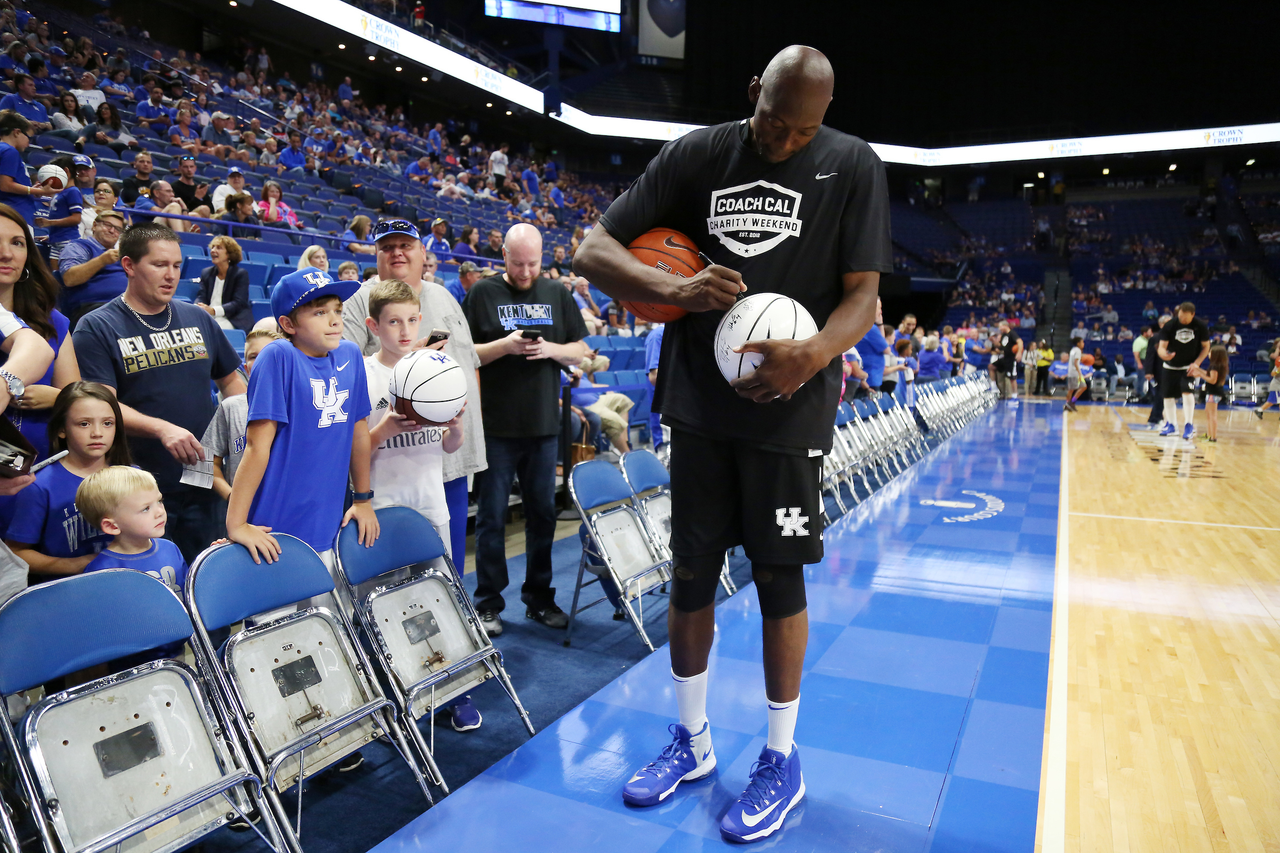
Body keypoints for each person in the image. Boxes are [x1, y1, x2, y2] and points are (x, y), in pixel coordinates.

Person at [573, 46, 890, 841]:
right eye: (775, 123)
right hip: (699, 409)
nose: (785, 142)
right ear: (754, 92)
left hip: (789, 415)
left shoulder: (852, 164)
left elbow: (864, 299)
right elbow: (591, 250)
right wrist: (675, 288)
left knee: (781, 579)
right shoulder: (697, 154)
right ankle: (693, 740)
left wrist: (813, 354)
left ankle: (781, 758)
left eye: (803, 131)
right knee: (690, 574)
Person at [72, 223, 245, 562]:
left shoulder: (197, 317)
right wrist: (161, 428)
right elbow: (101, 407)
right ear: (129, 266)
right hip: (141, 485)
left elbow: (232, 383)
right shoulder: (97, 326)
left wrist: (243, 435)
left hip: (204, 475)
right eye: (159, 265)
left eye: (177, 266)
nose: (171, 275)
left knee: (206, 572)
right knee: (156, 577)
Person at [360, 278, 481, 731]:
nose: (405, 330)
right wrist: (387, 427)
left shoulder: (437, 367)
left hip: (431, 506)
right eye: (393, 322)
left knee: (442, 599)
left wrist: (455, 427)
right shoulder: (364, 373)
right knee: (386, 606)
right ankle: (398, 690)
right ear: (374, 325)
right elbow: (355, 452)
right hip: (383, 508)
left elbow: (450, 447)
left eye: (412, 320)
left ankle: (455, 689)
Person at [465, 222, 588, 636]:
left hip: (541, 427)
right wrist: (506, 345)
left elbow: (581, 350)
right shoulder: (483, 293)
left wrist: (547, 349)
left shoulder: (556, 292)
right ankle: (487, 604)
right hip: (496, 428)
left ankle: (539, 598)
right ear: (503, 256)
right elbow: (465, 355)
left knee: (543, 517)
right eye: (517, 263)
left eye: (532, 263)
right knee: (491, 519)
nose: (524, 272)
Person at [341, 220, 486, 571]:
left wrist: (459, 426)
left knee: (446, 573)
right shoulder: (361, 301)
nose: (397, 252)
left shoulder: (443, 294)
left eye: (405, 245)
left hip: (438, 471)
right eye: (387, 247)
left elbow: (470, 359)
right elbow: (341, 370)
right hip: (383, 489)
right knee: (387, 580)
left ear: (423, 252)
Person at [5, 382, 128, 581]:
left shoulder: (134, 477)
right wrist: (79, 565)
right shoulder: (40, 486)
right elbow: (17, 553)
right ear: (62, 429)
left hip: (124, 583)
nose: (97, 433)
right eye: (84, 424)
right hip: (66, 592)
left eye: (107, 423)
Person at [77, 466, 187, 595]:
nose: (160, 512)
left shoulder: (170, 548)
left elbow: (192, 592)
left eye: (159, 501)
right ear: (112, 526)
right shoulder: (102, 571)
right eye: (146, 508)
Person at [204, 327, 276, 505]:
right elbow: (204, 465)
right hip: (243, 516)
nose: (261, 361)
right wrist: (234, 499)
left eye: (269, 354)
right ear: (246, 368)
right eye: (253, 356)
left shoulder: (303, 407)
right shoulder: (231, 407)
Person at [57, 208, 126, 328]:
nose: (112, 231)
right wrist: (102, 260)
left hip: (127, 305)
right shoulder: (79, 246)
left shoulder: (123, 254)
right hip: (95, 308)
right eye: (108, 225)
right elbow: (70, 278)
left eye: (118, 229)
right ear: (94, 226)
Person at [1155, 302, 1211, 440]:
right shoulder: (1170, 325)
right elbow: (1161, 347)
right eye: (1180, 316)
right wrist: (1164, 355)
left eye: (1185, 318)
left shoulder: (1200, 326)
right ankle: (1172, 425)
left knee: (1187, 392)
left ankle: (1188, 425)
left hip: (1189, 366)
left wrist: (1197, 363)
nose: (1182, 320)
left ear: (1192, 314)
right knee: (1167, 396)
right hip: (1170, 366)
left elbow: (1206, 347)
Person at [0, 110, 57, 227]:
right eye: (28, 138)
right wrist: (38, 191)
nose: (29, 143)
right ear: (17, 132)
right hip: (14, 214)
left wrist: (30, 191)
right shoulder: (9, 151)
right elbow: (5, 185)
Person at [39, 153, 94, 260]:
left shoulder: (73, 191)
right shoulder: (61, 192)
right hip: (56, 240)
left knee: (67, 274)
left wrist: (50, 223)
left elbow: (76, 218)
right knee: (54, 274)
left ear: (66, 172)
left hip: (67, 241)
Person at [195, 235, 253, 332]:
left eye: (219, 248)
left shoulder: (240, 274)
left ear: (229, 254)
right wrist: (197, 306)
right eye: (212, 247)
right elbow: (202, 295)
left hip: (232, 319)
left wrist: (214, 311)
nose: (213, 250)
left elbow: (239, 303)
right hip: (210, 316)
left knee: (213, 330)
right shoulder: (206, 273)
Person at [1191, 345, 1228, 442]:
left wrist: (1201, 375)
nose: (1208, 354)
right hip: (1214, 392)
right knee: (1209, 413)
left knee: (1212, 415)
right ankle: (1209, 434)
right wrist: (1198, 370)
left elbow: (1212, 380)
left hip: (1213, 392)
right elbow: (1209, 374)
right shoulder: (1220, 365)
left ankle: (1213, 437)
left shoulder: (1214, 366)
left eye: (1210, 352)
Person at [993, 319, 1020, 400]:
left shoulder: (1012, 333)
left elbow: (1020, 342)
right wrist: (994, 341)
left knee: (1012, 377)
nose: (999, 328)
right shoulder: (1004, 335)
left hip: (1011, 358)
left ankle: (1014, 394)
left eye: (1000, 327)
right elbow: (1002, 346)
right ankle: (994, 385)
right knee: (992, 366)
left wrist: (1019, 353)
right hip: (1005, 357)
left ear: (1005, 326)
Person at [1254, 341, 1280, 420]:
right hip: (1276, 385)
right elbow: (1272, 374)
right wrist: (1278, 371)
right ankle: (1259, 410)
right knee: (1271, 401)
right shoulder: (1279, 362)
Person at [1064, 339, 1085, 412]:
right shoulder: (1078, 350)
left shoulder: (1073, 350)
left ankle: (1071, 403)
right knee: (1071, 390)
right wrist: (1079, 373)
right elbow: (1076, 362)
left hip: (1073, 371)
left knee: (1083, 387)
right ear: (1078, 343)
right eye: (1082, 342)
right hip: (1075, 372)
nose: (1083, 343)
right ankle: (1068, 404)